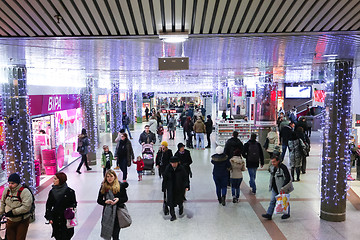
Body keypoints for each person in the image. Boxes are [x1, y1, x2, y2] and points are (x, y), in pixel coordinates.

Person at [0, 173, 33, 240]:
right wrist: (1, 213)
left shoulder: (25, 192)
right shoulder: (6, 191)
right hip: (10, 220)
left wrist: (13, 212)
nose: (10, 185)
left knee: (20, 238)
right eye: (9, 183)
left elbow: (26, 207)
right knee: (10, 238)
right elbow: (2, 202)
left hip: (22, 220)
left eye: (12, 183)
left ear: (17, 183)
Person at [97, 170, 128, 240]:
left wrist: (118, 200)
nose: (109, 178)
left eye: (111, 176)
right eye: (107, 176)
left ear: (114, 177)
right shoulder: (104, 187)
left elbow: (125, 198)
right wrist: (105, 202)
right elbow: (99, 200)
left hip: (117, 213)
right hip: (107, 214)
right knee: (108, 233)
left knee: (115, 235)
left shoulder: (120, 186)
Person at [45, 172, 77, 240]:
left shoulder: (70, 192)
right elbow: (48, 205)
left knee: (66, 236)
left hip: (66, 219)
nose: (53, 180)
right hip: (56, 219)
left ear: (61, 180)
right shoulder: (52, 192)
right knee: (58, 236)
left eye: (55, 179)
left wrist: (69, 210)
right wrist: (49, 217)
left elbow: (74, 204)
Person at [262, 155, 292, 220]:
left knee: (284, 200)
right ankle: (269, 214)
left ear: (278, 161)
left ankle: (287, 213)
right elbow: (270, 173)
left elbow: (287, 178)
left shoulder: (283, 167)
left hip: (282, 188)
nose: (273, 163)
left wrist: (283, 187)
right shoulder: (273, 167)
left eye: (274, 162)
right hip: (274, 187)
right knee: (272, 200)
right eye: (272, 162)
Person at [162, 156, 190, 221]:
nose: (173, 164)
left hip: (179, 187)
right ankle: (173, 215)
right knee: (171, 202)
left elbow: (186, 178)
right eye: (172, 163)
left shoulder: (181, 168)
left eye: (175, 163)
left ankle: (181, 207)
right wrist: (164, 187)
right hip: (170, 188)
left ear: (178, 163)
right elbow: (165, 179)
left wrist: (187, 186)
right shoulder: (168, 168)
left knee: (179, 200)